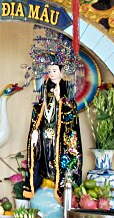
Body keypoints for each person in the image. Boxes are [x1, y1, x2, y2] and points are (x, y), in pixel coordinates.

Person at [24, 55, 82, 202]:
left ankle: (58, 188)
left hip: (60, 133)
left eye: (55, 70)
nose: (51, 74)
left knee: (57, 158)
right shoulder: (44, 87)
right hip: (45, 130)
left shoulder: (67, 86)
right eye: (49, 70)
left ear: (61, 72)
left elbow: (72, 110)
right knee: (43, 156)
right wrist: (35, 130)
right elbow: (38, 109)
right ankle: (44, 182)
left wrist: (59, 99)